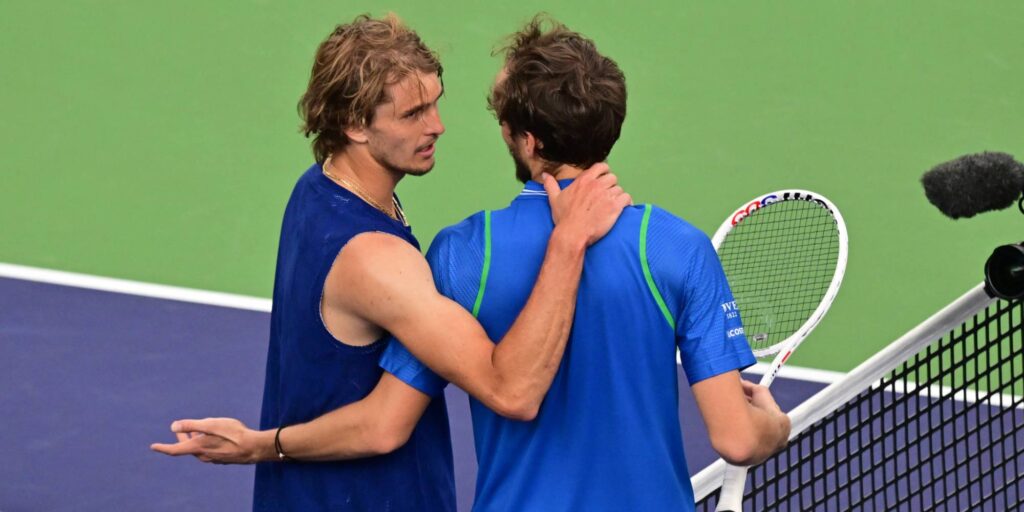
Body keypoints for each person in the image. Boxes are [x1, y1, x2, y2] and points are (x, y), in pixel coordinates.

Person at [154, 15, 791, 512]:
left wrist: (263, 446)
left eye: (439, 103)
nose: (439, 125)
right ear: (354, 124)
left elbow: (385, 419)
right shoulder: (677, 248)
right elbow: (734, 439)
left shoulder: (441, 246)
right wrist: (778, 425)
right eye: (414, 113)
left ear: (523, 139)